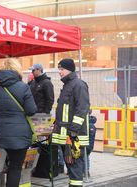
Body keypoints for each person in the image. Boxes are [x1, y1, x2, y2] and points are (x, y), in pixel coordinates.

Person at [0, 58, 37, 187]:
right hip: (19, 134)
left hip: (1, 132)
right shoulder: (23, 87)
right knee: (15, 167)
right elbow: (31, 110)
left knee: (8, 164)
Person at [51, 58, 90, 187]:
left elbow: (82, 109)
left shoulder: (78, 84)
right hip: (67, 135)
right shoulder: (68, 85)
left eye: (62, 69)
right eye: (59, 69)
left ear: (70, 69)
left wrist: (73, 131)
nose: (59, 72)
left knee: (75, 167)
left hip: (74, 135)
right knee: (71, 166)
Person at [84, 110, 97, 177]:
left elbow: (90, 137)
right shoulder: (88, 123)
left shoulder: (90, 125)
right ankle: (86, 172)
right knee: (85, 157)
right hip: (88, 144)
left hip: (88, 145)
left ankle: (86, 172)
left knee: (85, 157)